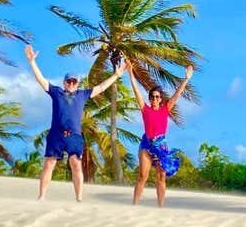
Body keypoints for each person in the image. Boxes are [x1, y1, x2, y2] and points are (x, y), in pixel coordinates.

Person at [26, 44, 126, 202]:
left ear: (78, 83)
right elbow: (41, 80)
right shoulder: (56, 92)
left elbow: (101, 87)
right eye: (69, 81)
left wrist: (116, 75)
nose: (71, 84)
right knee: (49, 163)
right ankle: (42, 196)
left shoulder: (82, 94)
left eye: (74, 82)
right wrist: (32, 62)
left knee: (75, 163)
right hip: (56, 135)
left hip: (74, 136)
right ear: (64, 82)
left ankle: (79, 198)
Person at [127, 61, 193, 207]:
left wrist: (186, 79)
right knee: (143, 176)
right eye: (152, 96)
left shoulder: (165, 109)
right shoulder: (145, 109)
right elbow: (136, 92)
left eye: (157, 97)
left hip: (160, 146)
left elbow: (177, 95)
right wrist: (130, 73)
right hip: (146, 145)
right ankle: (134, 205)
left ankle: (160, 207)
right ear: (149, 98)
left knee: (161, 176)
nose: (154, 99)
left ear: (161, 99)